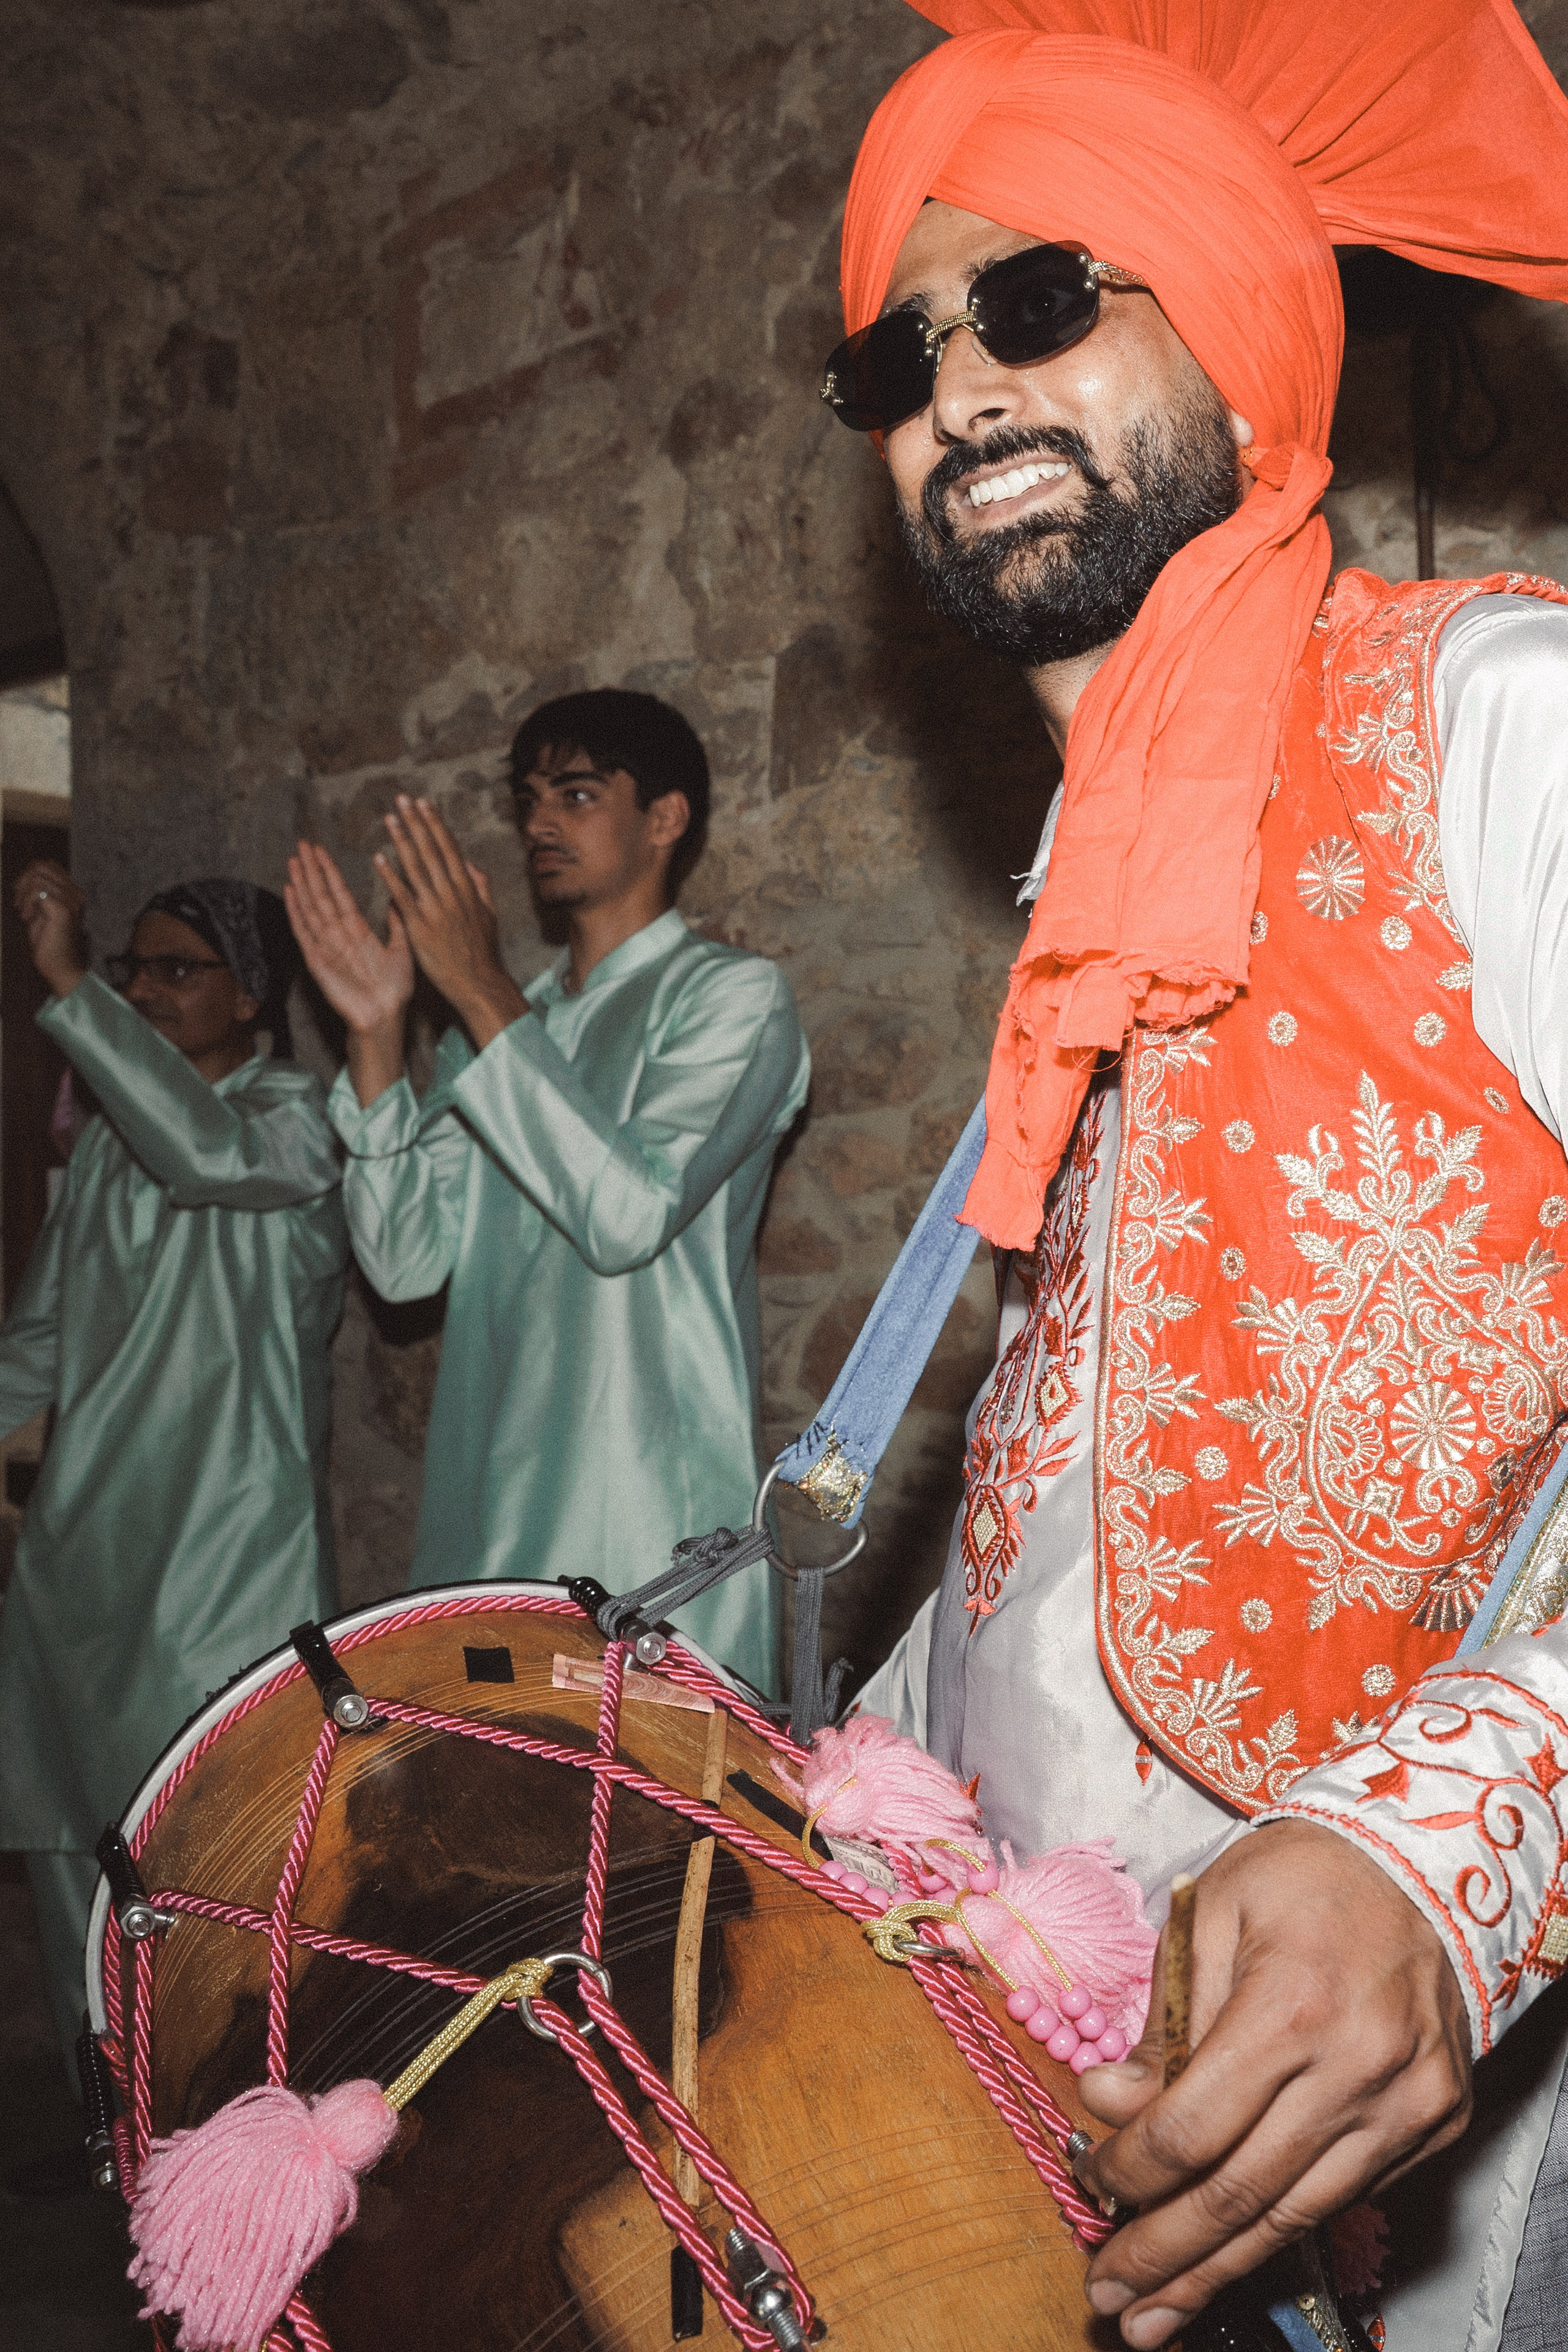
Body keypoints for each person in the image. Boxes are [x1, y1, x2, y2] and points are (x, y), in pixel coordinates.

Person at [821, 4, 1568, 2346]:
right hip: (1067, 2124)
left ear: (1240, 319)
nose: (959, 382)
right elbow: (1071, 1526)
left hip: (1441, 2176)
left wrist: (1468, 1838)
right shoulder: (1086, 908)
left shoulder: (1497, 719)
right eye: (895, 356)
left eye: (1042, 295)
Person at [285, 689, 809, 1694]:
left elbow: (626, 1220)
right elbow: (401, 1268)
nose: (537, 824)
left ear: (665, 819)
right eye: (528, 798)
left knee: (651, 1843)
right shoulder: (508, 1024)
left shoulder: (733, 999)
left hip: (646, 1508)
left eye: (575, 794)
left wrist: (479, 991)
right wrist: (377, 1039)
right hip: (488, 1507)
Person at [0, 867, 347, 2078]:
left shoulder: (293, 1118)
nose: (142, 990)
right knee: (69, 1842)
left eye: (174, 969)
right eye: (130, 969)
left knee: (208, 1849)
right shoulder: (102, 1150)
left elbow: (206, 1156)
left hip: (223, 1554)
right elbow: (39, 1338)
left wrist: (61, 983)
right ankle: (111, 2112)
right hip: (82, 1556)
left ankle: (220, 2111)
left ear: (253, 997)